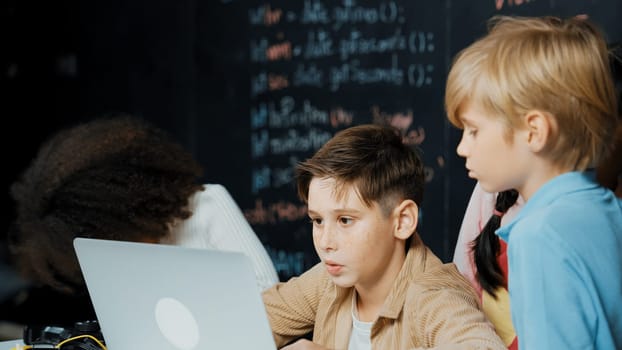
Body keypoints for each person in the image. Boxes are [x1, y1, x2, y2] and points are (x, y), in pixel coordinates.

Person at [445, 15, 622, 349]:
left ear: (534, 131)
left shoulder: (537, 236)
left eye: (473, 130)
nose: (462, 147)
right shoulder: (610, 210)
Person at [4, 115, 279, 328]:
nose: (113, 245)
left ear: (125, 208)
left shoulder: (207, 206)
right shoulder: (115, 258)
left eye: (110, 235)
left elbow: (270, 297)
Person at [262, 124, 506, 349]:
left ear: (403, 221)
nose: (325, 242)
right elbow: (244, 320)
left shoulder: (435, 297)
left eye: (345, 220)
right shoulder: (329, 279)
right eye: (317, 220)